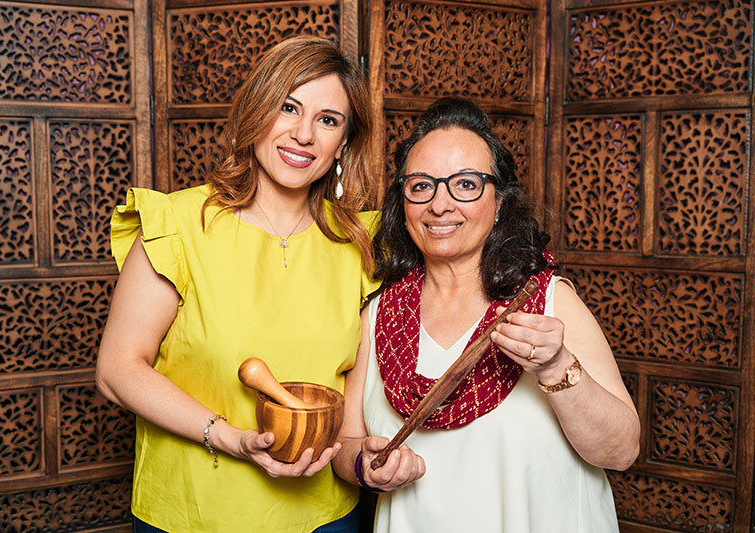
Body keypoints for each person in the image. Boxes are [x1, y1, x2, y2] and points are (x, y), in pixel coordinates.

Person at [96, 36, 380, 532]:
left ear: (344, 143)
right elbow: (118, 370)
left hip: (327, 516)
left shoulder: (362, 241)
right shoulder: (178, 225)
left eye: (328, 120)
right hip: (194, 513)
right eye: (288, 107)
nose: (304, 134)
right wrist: (229, 438)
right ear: (256, 112)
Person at [332, 96, 640, 532]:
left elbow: (621, 451)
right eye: (421, 185)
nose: (440, 204)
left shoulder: (546, 301)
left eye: (466, 184)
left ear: (499, 202)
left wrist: (555, 366)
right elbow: (346, 444)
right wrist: (365, 466)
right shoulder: (379, 314)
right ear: (402, 204)